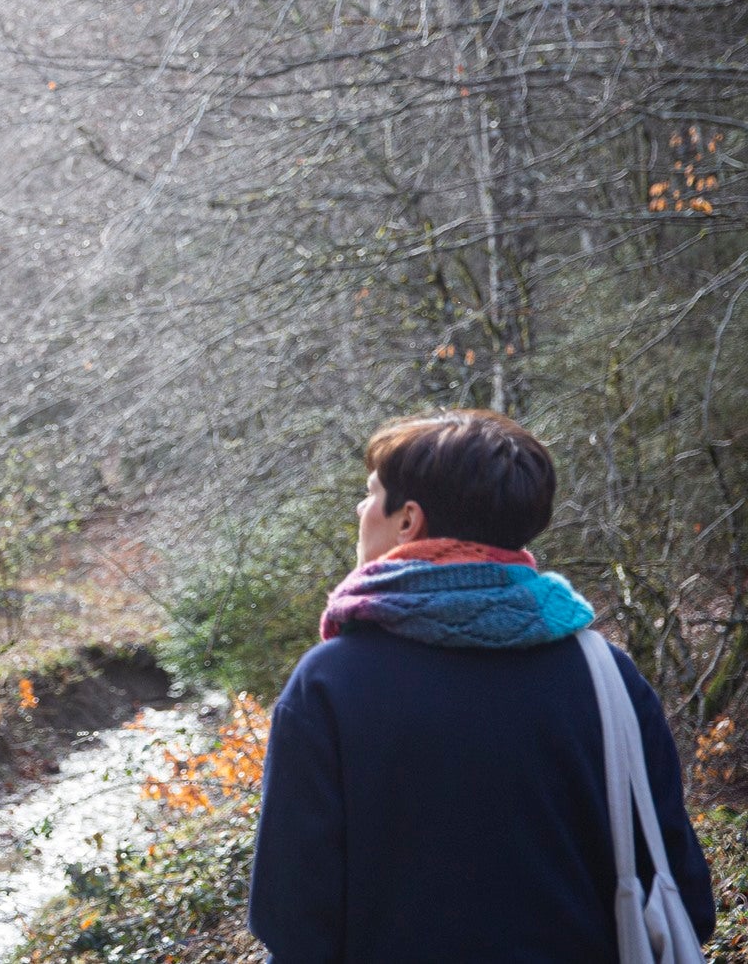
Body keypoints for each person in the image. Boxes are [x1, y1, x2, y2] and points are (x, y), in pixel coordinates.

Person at [247, 409, 714, 962]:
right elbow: (685, 897)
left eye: (371, 493)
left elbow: (293, 922)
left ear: (408, 522)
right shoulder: (607, 676)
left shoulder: (329, 684)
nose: (359, 508)